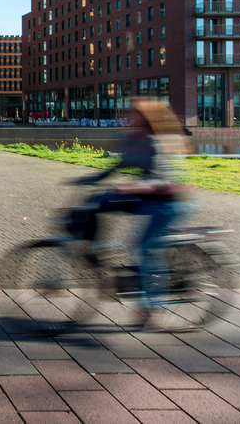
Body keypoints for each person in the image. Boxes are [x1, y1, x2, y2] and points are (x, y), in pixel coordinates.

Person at [73, 98, 186, 326]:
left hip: (164, 201)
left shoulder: (155, 142)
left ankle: (151, 308)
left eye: (132, 112)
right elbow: (118, 166)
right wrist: (93, 179)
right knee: (95, 202)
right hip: (143, 196)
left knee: (143, 247)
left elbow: (161, 180)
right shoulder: (133, 138)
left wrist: (133, 186)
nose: (127, 116)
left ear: (145, 117)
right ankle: (95, 250)